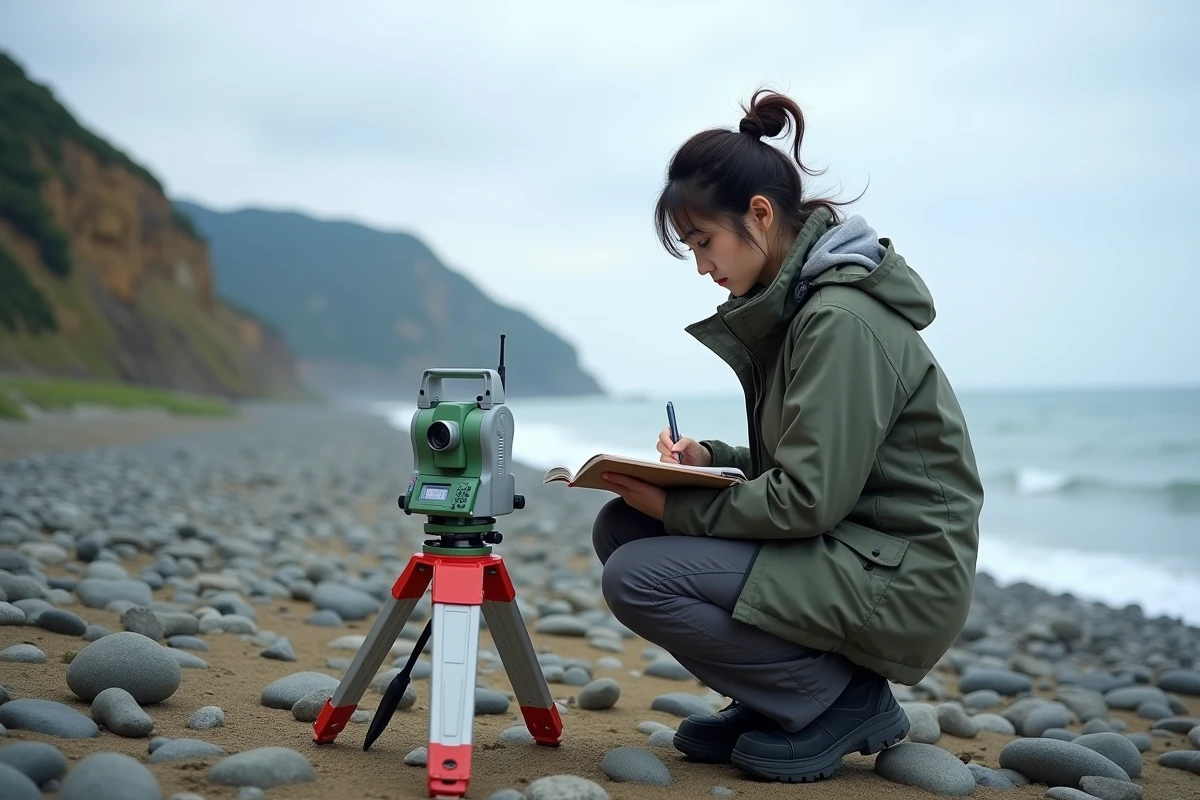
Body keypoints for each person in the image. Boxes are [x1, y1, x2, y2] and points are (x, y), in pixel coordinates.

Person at [591, 87, 985, 784]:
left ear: (761, 215)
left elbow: (808, 499)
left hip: (899, 573)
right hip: (852, 549)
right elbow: (807, 464)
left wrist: (679, 506)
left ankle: (837, 699)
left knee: (636, 574)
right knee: (622, 528)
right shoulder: (801, 309)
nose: (701, 265)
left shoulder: (839, 320)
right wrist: (711, 460)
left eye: (703, 240)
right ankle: (776, 696)